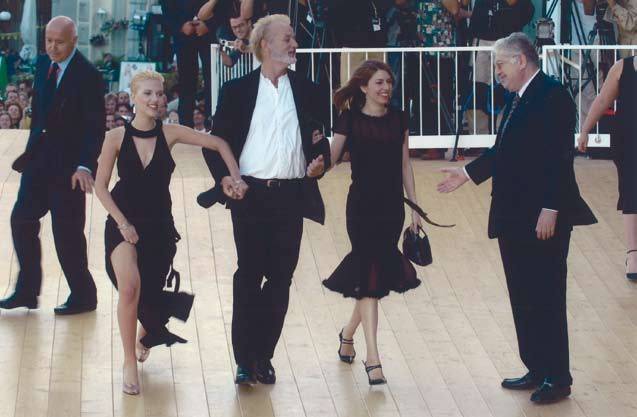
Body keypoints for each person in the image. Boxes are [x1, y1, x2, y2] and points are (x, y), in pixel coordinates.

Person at [437, 33, 597, 404]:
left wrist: (551, 207)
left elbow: (560, 156)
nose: (497, 73)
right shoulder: (518, 97)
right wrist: (467, 174)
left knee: (546, 294)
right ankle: (537, 366)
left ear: (520, 60)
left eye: (500, 65)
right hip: (513, 214)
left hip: (542, 214)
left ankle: (557, 376)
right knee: (523, 294)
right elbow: (504, 151)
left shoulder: (553, 95)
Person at [94, 70, 247, 395]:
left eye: (159, 94)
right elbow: (100, 187)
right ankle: (128, 362)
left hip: (160, 229)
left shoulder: (172, 133)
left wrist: (236, 177)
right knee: (129, 289)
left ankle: (144, 334)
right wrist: (122, 222)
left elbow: (219, 143)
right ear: (133, 98)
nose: (155, 99)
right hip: (123, 224)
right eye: (148, 94)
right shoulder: (115, 137)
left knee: (149, 296)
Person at [201, 14, 331, 385]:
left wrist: (321, 163)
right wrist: (226, 178)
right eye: (287, 38)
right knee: (248, 274)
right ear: (265, 45)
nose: (294, 44)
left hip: (291, 196)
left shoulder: (308, 89)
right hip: (251, 196)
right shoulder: (236, 91)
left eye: (293, 38)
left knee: (280, 278)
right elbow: (215, 144)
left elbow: (319, 142)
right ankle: (245, 359)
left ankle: (263, 355)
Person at [322, 60, 422, 385]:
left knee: (372, 277)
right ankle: (373, 357)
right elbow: (330, 159)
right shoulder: (349, 119)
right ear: (364, 87)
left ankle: (347, 334)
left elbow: (405, 166)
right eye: (379, 82)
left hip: (391, 209)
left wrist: (415, 209)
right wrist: (314, 161)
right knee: (368, 274)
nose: (386, 88)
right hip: (361, 208)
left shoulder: (399, 119)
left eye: (388, 82)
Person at [0, 16, 104, 314]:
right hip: (37, 163)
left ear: (74, 40)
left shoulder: (89, 75)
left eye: (59, 42)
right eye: (48, 41)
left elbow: (95, 128)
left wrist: (85, 166)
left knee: (67, 235)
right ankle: (26, 291)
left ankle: (84, 296)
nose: (52, 47)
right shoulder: (43, 64)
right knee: (21, 221)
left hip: (69, 170)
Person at [578, 56, 637, 280]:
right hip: (629, 142)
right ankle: (633, 254)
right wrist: (585, 130)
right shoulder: (622, 68)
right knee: (631, 193)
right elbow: (603, 100)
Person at [160, 0, 216, 128]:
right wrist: (180, 26)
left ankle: (212, 123)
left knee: (212, 79)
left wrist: (209, 25)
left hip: (210, 33)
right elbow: (166, 7)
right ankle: (185, 126)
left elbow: (222, 6)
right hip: (183, 34)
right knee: (186, 83)